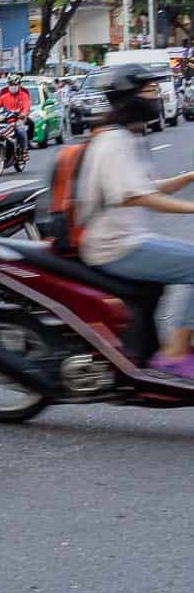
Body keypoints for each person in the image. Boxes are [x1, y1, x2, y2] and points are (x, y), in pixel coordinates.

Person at [74, 64, 194, 377]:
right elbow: (133, 197)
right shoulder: (114, 142)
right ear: (130, 98)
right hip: (114, 247)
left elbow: (146, 187)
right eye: (150, 91)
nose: (157, 98)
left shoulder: (126, 137)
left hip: (130, 239)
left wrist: (189, 177)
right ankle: (175, 351)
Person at [0, 72, 32, 162]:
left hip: (18, 120)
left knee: (21, 131)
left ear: (19, 85)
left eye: (15, 84)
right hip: (5, 121)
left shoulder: (24, 96)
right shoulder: (4, 96)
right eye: (11, 84)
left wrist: (23, 114)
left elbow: (26, 106)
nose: (12, 86)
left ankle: (24, 151)